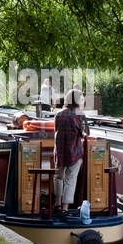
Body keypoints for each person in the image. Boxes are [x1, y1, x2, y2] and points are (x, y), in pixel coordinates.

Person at [53, 88, 87, 216]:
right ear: (78, 101)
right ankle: (65, 208)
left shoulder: (59, 114)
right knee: (70, 180)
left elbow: (56, 131)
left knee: (58, 177)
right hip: (74, 152)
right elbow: (85, 134)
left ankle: (57, 203)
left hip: (60, 152)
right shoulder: (80, 115)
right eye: (82, 99)